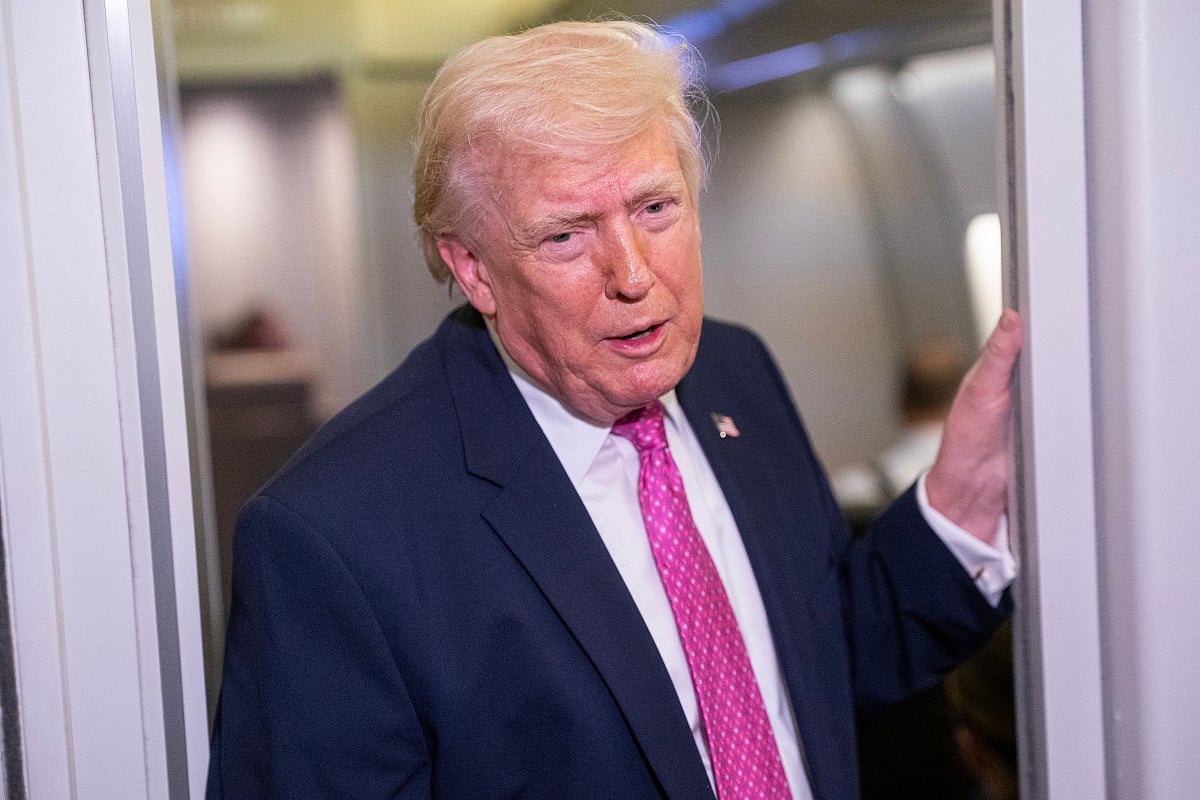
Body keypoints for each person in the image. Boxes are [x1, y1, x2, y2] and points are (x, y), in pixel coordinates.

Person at [205, 20, 1022, 800]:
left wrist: (958, 504)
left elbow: (807, 666)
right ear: (474, 269)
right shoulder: (333, 537)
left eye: (655, 208)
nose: (633, 274)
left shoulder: (736, 374)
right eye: (566, 236)